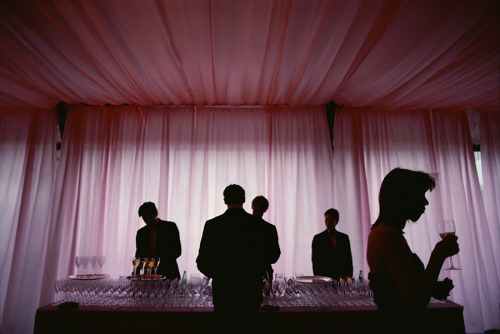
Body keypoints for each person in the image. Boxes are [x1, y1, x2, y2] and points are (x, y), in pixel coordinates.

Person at [366, 168, 459, 333]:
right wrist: (439, 254)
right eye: (421, 195)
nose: (426, 203)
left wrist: (433, 288)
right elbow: (414, 302)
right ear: (404, 197)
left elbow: (397, 288)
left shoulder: (387, 233)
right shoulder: (387, 235)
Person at [196, 185, 281, 333]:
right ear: (244, 199)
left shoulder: (212, 225)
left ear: (224, 200)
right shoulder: (263, 227)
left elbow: (202, 262)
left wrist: (219, 275)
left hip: (223, 292)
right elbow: (273, 256)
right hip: (251, 290)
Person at [135, 202, 181, 279]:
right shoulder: (141, 233)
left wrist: (157, 264)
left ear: (156, 213)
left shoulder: (170, 227)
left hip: (169, 273)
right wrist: (137, 272)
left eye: (149, 218)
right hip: (149, 276)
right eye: (144, 219)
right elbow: (139, 254)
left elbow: (177, 251)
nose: (147, 222)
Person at [311, 208, 353, 280]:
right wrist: (320, 280)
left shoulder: (344, 238)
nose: (328, 223)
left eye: (331, 220)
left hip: (341, 280)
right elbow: (316, 263)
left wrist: (348, 279)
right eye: (326, 220)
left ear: (336, 221)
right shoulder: (318, 238)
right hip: (324, 280)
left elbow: (348, 260)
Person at [251, 195, 281, 283]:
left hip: (264, 272)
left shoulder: (270, 229)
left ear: (264, 210)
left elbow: (276, 253)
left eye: (259, 210)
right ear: (252, 208)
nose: (256, 213)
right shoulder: (270, 228)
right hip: (255, 271)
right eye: (255, 209)